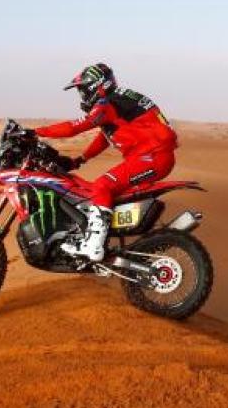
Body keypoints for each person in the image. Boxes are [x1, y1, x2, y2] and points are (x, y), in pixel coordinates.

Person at [34, 63, 178, 261]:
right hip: (152, 155)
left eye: (83, 90)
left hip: (152, 157)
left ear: (96, 86)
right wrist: (80, 159)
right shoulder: (118, 99)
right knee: (107, 193)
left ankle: (94, 246)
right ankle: (113, 244)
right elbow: (106, 137)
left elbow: (75, 127)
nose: (82, 96)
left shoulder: (107, 102)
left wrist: (35, 132)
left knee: (102, 186)